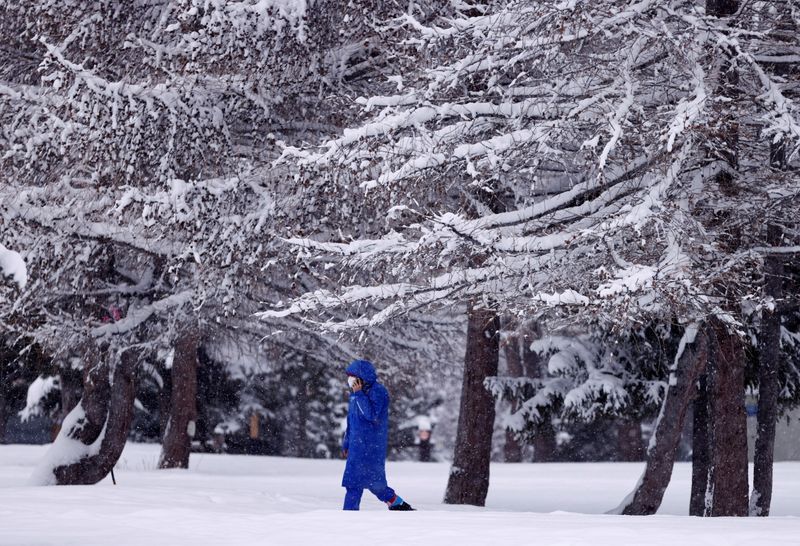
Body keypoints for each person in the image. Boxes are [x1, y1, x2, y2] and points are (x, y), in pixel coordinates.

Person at [341, 359, 414, 511]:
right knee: (353, 484)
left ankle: (398, 504)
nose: (350, 380)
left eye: (353, 376)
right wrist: (347, 443)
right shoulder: (355, 395)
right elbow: (351, 422)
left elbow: (372, 415)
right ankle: (348, 517)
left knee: (376, 485)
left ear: (362, 377)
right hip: (356, 447)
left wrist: (359, 394)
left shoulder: (378, 392)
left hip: (371, 447)